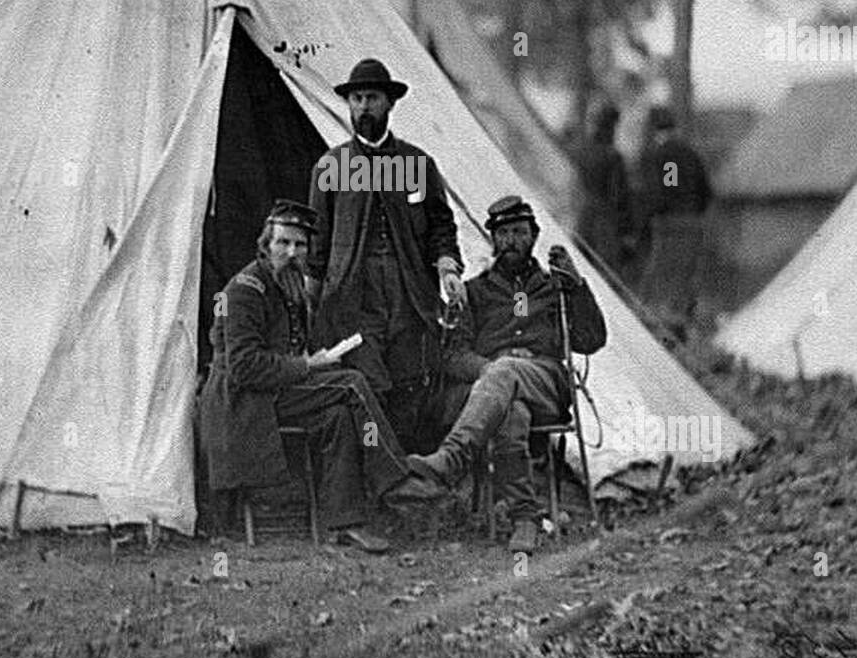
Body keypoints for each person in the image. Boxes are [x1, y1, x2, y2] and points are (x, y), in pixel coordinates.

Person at [199, 200, 444, 554]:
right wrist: (307, 366)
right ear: (265, 246)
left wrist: (316, 359)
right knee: (351, 384)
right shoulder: (245, 290)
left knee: (339, 415)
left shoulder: (290, 286)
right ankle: (395, 479)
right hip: (243, 401)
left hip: (274, 393)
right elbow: (243, 366)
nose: (292, 252)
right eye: (283, 243)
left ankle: (347, 523)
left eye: (300, 245)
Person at [407, 196, 608, 554]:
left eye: (519, 232)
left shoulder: (556, 287)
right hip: (497, 391)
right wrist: (490, 372)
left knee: (505, 374)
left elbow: (592, 340)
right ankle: (525, 519)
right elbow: (451, 356)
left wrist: (576, 284)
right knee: (511, 412)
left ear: (534, 236)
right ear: (492, 240)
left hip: (547, 382)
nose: (511, 240)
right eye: (503, 234)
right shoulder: (473, 292)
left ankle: (450, 459)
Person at [307, 58, 466, 454]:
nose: (363, 107)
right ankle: (377, 482)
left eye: (372, 98)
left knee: (410, 384)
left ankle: (409, 481)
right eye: (357, 99)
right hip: (354, 299)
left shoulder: (417, 164)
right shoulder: (332, 167)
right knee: (369, 386)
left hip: (409, 292)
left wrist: (447, 267)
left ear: (390, 104)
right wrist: (311, 298)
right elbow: (318, 241)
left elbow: (442, 226)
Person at [634, 104, 712, 318]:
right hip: (694, 220)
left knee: (662, 270)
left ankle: (652, 315)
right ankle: (685, 317)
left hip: (671, 222)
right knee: (687, 272)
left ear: (653, 130)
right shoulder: (691, 153)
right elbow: (706, 189)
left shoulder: (667, 156)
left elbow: (669, 187)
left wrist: (650, 216)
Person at [575, 102, 633, 274]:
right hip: (605, 219)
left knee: (581, 265)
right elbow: (618, 194)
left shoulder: (584, 151)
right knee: (605, 271)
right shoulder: (613, 156)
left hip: (584, 217)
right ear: (613, 126)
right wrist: (626, 227)